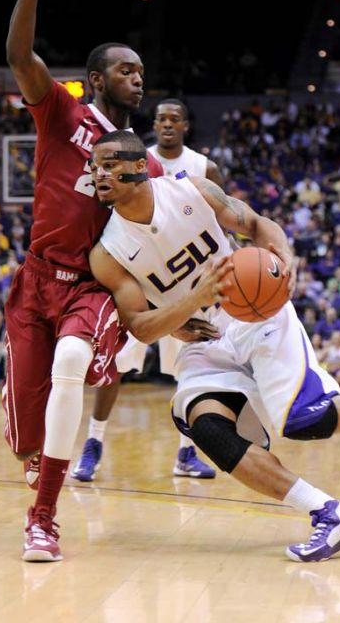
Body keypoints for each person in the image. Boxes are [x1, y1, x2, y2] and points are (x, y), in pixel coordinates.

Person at [87, 130, 340, 563]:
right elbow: (142, 328)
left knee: (303, 421)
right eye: (95, 165)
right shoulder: (107, 252)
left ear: (138, 166)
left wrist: (283, 253)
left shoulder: (192, 190)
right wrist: (190, 302)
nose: (98, 173)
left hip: (256, 313)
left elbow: (257, 224)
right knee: (207, 428)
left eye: (110, 163)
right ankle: (328, 513)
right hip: (204, 339)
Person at [4, 0, 165, 563]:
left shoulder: (145, 161)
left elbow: (165, 226)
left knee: (73, 366)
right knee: (28, 439)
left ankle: (43, 519)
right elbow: (18, 53)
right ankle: (44, 464)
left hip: (92, 287)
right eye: (127, 70)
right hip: (34, 279)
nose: (139, 78)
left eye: (141, 72)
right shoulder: (61, 111)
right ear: (98, 78)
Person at [72, 99, 223, 482]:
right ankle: (93, 443)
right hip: (141, 282)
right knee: (115, 368)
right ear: (153, 125)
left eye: (175, 119)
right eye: (161, 119)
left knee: (191, 372)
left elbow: (218, 223)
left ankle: (186, 453)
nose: (167, 124)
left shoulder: (204, 167)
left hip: (189, 285)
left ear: (187, 125)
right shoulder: (135, 160)